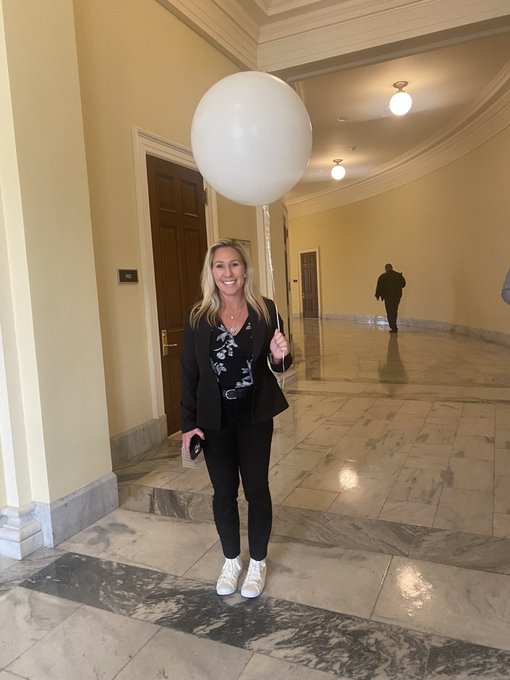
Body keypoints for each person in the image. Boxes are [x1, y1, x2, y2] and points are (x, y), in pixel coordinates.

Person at [180, 238, 291, 599]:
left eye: (234, 264)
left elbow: (280, 365)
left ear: (245, 270)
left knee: (257, 489)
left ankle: (257, 561)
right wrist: (188, 424)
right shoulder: (198, 317)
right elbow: (189, 373)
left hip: (255, 413)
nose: (228, 273)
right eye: (220, 266)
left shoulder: (266, 310)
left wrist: (279, 356)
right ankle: (231, 560)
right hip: (215, 417)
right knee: (223, 492)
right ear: (211, 273)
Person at [375, 263, 406, 333]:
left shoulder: (383, 276)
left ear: (386, 268)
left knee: (389, 312)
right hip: (397, 296)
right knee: (394, 311)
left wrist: (377, 295)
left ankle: (393, 327)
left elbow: (379, 286)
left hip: (388, 297)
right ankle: (394, 326)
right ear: (392, 268)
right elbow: (403, 284)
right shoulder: (398, 275)